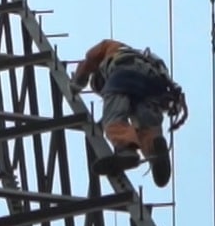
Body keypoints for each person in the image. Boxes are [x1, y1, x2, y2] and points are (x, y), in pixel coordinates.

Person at [70, 39, 187, 188]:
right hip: (155, 83)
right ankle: (154, 146)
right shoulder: (141, 56)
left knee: (113, 119)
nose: (103, 90)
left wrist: (76, 84)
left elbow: (89, 60)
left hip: (125, 72)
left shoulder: (109, 49)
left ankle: (126, 149)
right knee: (146, 125)